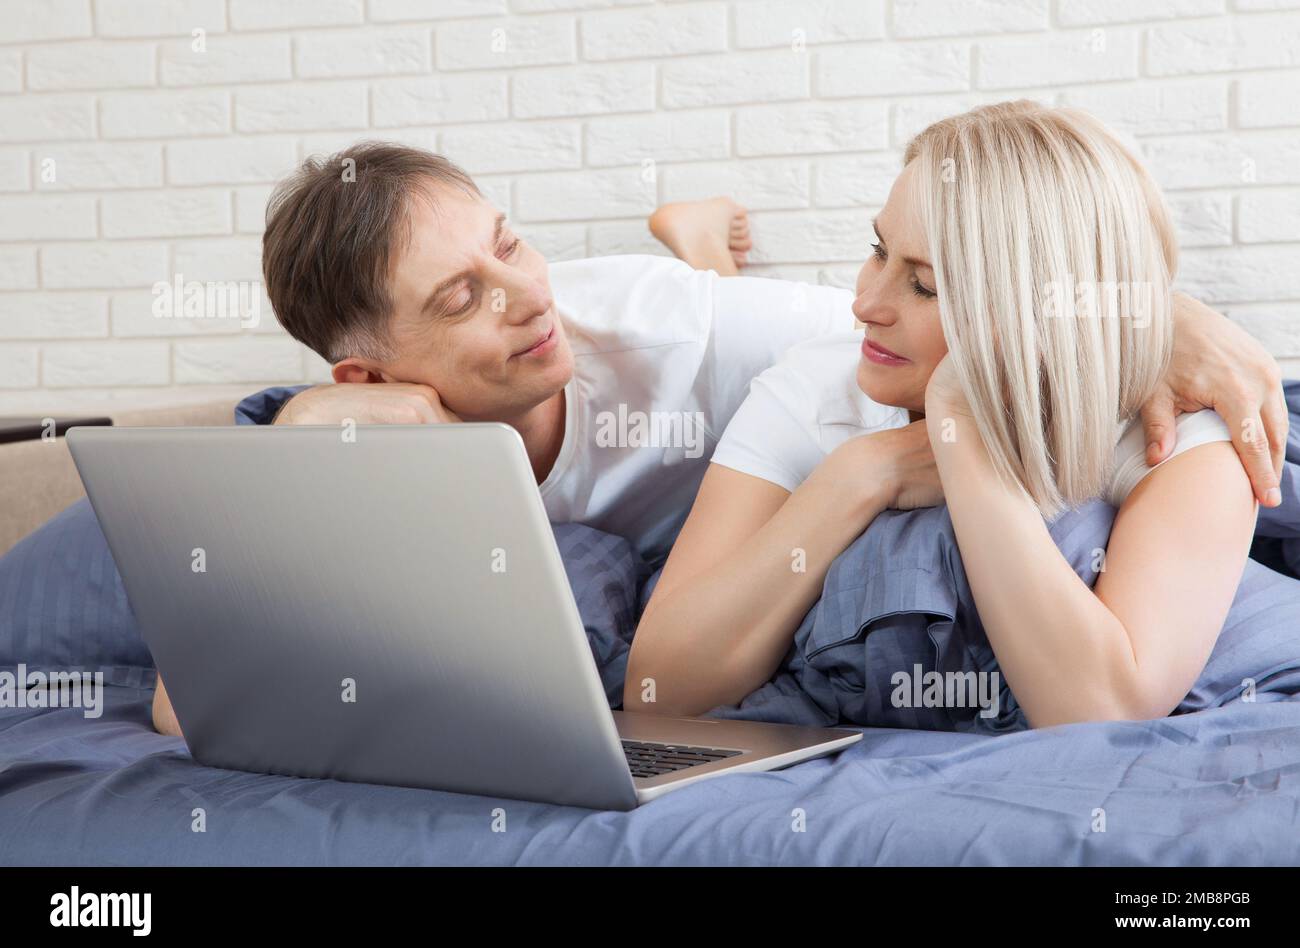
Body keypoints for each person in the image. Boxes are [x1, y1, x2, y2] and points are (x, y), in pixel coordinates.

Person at [153, 139, 1286, 737]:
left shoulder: (685, 334)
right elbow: (184, 698)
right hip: (695, 541)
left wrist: (1153, 315)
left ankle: (694, 245)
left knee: (711, 309)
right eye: (461, 299)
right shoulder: (373, 429)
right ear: (371, 372)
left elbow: (954, 322)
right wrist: (305, 430)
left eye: (513, 243)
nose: (524, 298)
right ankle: (695, 232)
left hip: (705, 402)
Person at [627, 100, 1285, 730]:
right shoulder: (814, 385)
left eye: (925, 285)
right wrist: (865, 472)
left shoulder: (1182, 440)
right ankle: (704, 248)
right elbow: (658, 691)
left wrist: (960, 429)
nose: (865, 305)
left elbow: (1102, 708)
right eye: (878, 250)